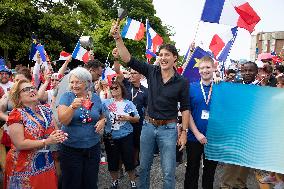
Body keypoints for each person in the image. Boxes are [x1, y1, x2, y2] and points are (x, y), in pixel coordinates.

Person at [111, 22, 190, 189]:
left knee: (168, 172)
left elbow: (185, 108)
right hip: (148, 126)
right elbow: (127, 58)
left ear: (175, 57)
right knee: (144, 167)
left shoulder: (182, 82)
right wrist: (118, 38)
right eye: (160, 54)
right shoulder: (151, 71)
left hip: (168, 129)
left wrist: (183, 132)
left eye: (167, 54)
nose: (163, 58)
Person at [4, 79, 67, 189]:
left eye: (32, 88)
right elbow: (20, 144)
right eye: (26, 89)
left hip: (46, 163)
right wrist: (47, 141)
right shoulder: (16, 114)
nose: (31, 90)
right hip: (23, 167)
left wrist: (60, 135)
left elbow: (55, 130)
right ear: (18, 96)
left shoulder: (45, 110)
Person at [57, 67, 107, 189]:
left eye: (78, 82)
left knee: (90, 182)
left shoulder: (95, 97)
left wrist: (102, 121)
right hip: (71, 148)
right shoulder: (67, 97)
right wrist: (72, 107)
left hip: (92, 148)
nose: (74, 85)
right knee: (72, 183)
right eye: (72, 82)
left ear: (87, 83)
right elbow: (63, 120)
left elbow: (102, 116)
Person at [221, 61, 258, 189]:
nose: (247, 73)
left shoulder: (262, 89)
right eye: (244, 70)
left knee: (245, 163)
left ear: (256, 72)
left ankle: (240, 185)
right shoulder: (233, 86)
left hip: (251, 132)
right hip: (235, 131)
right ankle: (226, 186)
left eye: (250, 70)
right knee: (232, 161)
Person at [184, 56, 218, 189]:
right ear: (198, 70)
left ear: (214, 68)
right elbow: (187, 112)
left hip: (213, 138)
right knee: (192, 169)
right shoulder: (191, 87)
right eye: (202, 68)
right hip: (194, 137)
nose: (205, 70)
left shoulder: (220, 88)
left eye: (208, 67)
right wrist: (197, 133)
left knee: (210, 171)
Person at [112, 47, 148, 168]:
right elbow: (118, 71)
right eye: (130, 72)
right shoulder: (125, 84)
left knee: (136, 145)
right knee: (122, 145)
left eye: (134, 73)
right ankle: (120, 167)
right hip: (123, 121)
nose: (131, 75)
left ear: (140, 75)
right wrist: (116, 58)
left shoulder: (145, 91)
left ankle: (134, 164)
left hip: (137, 122)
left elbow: (147, 108)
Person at [103, 80, 140, 189]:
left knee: (129, 159)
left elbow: (137, 118)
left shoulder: (128, 103)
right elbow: (99, 115)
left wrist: (128, 118)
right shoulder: (105, 103)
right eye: (112, 88)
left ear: (121, 89)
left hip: (126, 135)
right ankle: (115, 182)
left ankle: (132, 182)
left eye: (116, 88)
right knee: (112, 160)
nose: (114, 90)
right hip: (110, 136)